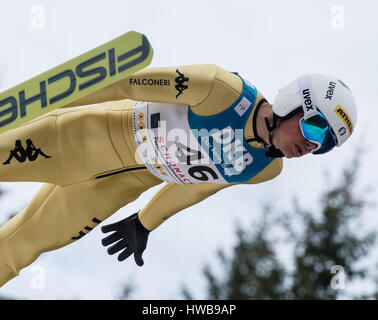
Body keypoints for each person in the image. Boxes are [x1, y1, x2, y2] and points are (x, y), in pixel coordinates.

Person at [0, 64, 357, 286]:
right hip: (84, 139)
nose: (312, 146)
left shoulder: (266, 167)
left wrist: (145, 222)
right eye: (314, 130)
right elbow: (125, 83)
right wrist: (43, 103)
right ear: (293, 103)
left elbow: (199, 188)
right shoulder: (223, 91)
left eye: (324, 145)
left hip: (112, 190)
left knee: (19, 250)